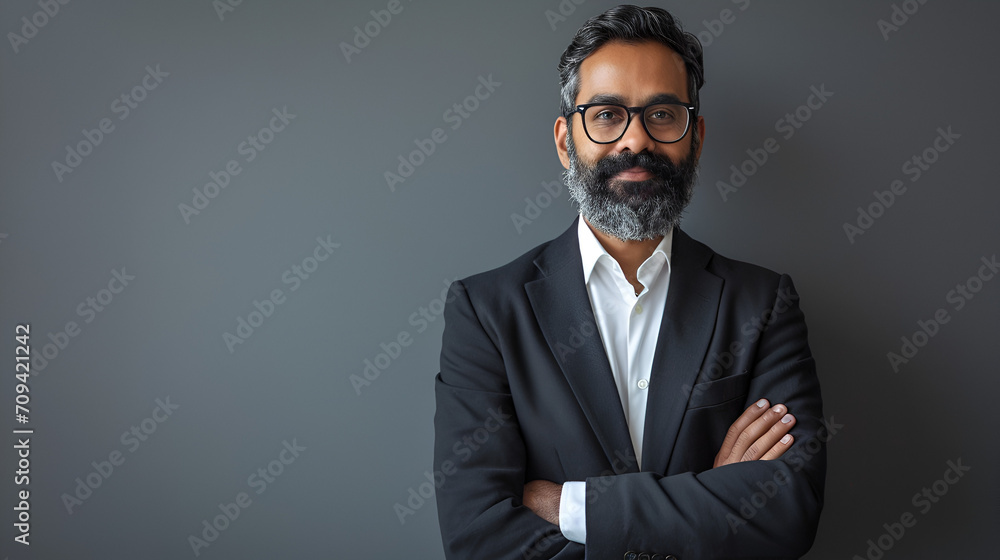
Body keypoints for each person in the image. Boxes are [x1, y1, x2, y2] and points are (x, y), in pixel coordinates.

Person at [433, 5, 825, 559]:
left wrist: (573, 507)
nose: (636, 141)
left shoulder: (762, 303)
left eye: (662, 114)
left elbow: (787, 514)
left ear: (696, 137)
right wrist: (710, 500)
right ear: (567, 139)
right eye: (607, 114)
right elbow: (482, 540)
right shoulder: (486, 312)